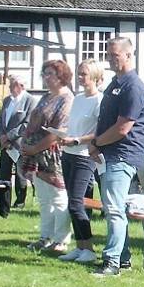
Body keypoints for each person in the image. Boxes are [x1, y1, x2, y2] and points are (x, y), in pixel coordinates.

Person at [89, 37, 144, 277]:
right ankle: (122, 258)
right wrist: (96, 145)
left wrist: (96, 142)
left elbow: (123, 127)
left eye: (115, 55)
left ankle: (112, 261)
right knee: (114, 207)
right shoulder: (115, 83)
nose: (110, 59)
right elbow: (104, 120)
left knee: (113, 209)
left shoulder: (132, 86)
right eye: (109, 54)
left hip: (122, 154)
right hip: (109, 153)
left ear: (128, 55)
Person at [17, 60, 74, 252]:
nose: (46, 77)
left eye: (50, 74)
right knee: (43, 199)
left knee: (58, 197)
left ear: (61, 76)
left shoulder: (67, 99)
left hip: (53, 155)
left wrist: (35, 148)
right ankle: (45, 237)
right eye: (45, 73)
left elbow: (58, 132)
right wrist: (26, 144)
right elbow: (32, 122)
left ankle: (61, 240)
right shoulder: (45, 97)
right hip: (35, 155)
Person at [58, 59, 104, 264]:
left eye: (83, 74)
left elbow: (98, 132)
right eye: (79, 73)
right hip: (69, 153)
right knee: (71, 203)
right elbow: (73, 125)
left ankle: (90, 248)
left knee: (77, 203)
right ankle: (79, 246)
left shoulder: (99, 101)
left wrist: (77, 140)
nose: (79, 77)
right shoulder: (77, 98)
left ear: (94, 77)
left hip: (84, 156)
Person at [0, 74, 37, 214]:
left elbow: (27, 124)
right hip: (5, 145)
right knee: (3, 175)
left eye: (12, 85)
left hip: (20, 144)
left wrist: (9, 136)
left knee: (21, 175)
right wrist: (2, 137)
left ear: (21, 86)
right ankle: (2, 204)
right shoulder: (7, 100)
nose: (9, 88)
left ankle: (19, 202)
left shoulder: (30, 101)